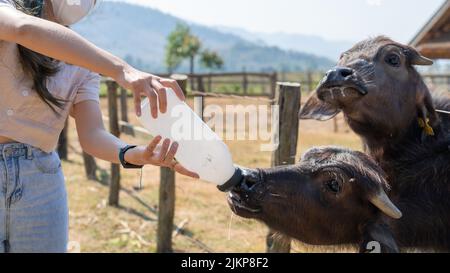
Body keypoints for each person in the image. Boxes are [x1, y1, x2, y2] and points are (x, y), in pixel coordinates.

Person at [0, 0, 199, 253]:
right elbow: (23, 28)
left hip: (41, 184)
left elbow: (93, 135)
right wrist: (123, 70)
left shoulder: (84, 63)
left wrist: (135, 154)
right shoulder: (6, 11)